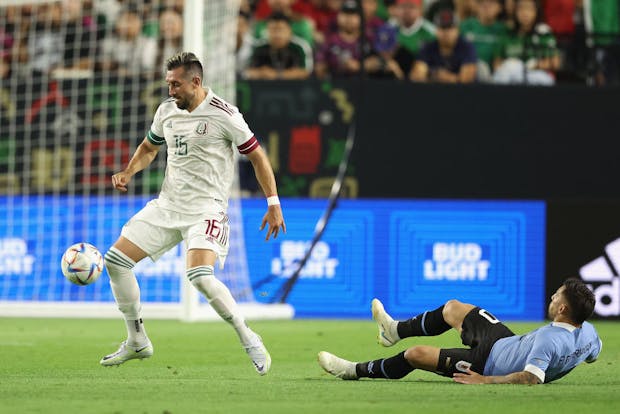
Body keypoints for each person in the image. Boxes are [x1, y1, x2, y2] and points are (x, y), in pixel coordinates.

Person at [100, 52, 286, 376]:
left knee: (200, 277)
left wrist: (273, 203)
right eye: (168, 84)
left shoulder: (225, 115)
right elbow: (149, 148)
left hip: (207, 208)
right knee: (115, 262)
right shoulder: (166, 111)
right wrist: (128, 172)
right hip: (169, 204)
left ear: (195, 82)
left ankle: (248, 337)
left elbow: (258, 157)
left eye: (175, 84)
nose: (170, 90)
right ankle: (137, 340)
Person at [319, 278, 602, 384]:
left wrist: (485, 381)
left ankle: (353, 370)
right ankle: (392, 330)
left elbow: (531, 378)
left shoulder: (549, 340)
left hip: (487, 364)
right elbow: (592, 356)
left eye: (557, 297)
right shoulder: (588, 333)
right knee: (453, 308)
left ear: (564, 310)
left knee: (415, 355)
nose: (552, 298)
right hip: (503, 341)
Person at [492, 0, 561, 85]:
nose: (525, 13)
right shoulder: (507, 33)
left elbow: (555, 63)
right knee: (511, 66)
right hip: (511, 77)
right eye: (521, 8)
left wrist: (535, 65)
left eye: (529, 9)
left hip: (537, 76)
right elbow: (497, 62)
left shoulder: (543, 32)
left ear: (536, 12)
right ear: (515, 11)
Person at [410, 8, 478, 83]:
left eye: (450, 27)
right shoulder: (428, 47)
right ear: (436, 30)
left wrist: (445, 77)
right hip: (433, 92)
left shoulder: (467, 47)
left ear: (457, 30)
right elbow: (417, 75)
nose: (446, 32)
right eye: (442, 28)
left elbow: (466, 79)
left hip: (461, 93)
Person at [245, 12, 313, 80]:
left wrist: (277, 75)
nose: (277, 34)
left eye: (281, 29)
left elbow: (305, 72)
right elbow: (249, 72)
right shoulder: (259, 47)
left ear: (289, 31)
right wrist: (260, 73)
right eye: (273, 29)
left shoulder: (300, 47)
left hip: (295, 88)